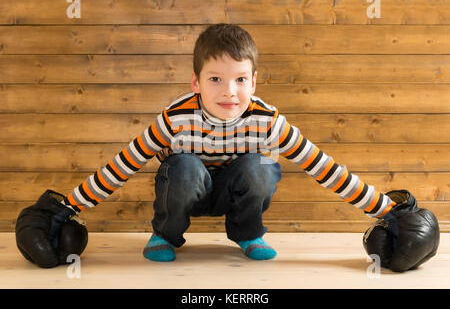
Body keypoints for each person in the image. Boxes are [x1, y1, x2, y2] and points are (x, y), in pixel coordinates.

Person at [15, 23, 439, 271]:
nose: (229, 91)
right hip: (186, 188)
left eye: (239, 79)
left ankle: (248, 234)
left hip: (238, 190)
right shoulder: (174, 117)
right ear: (195, 82)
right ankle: (165, 235)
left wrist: (387, 211)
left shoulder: (268, 120)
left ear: (254, 83)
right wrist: (66, 207)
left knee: (261, 166)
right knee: (181, 165)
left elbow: (325, 168)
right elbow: (122, 165)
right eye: (215, 79)